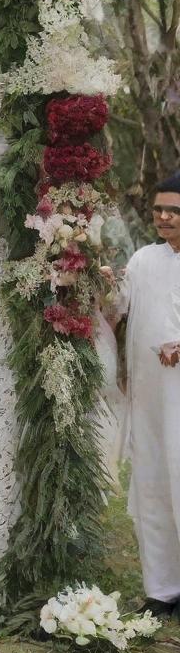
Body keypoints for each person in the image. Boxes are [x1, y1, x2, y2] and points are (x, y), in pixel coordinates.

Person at [110, 172, 180, 619]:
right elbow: (117, 307)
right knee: (154, 485)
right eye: (158, 209)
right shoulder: (142, 259)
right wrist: (98, 281)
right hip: (151, 401)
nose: (163, 217)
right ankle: (161, 589)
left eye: (173, 210)